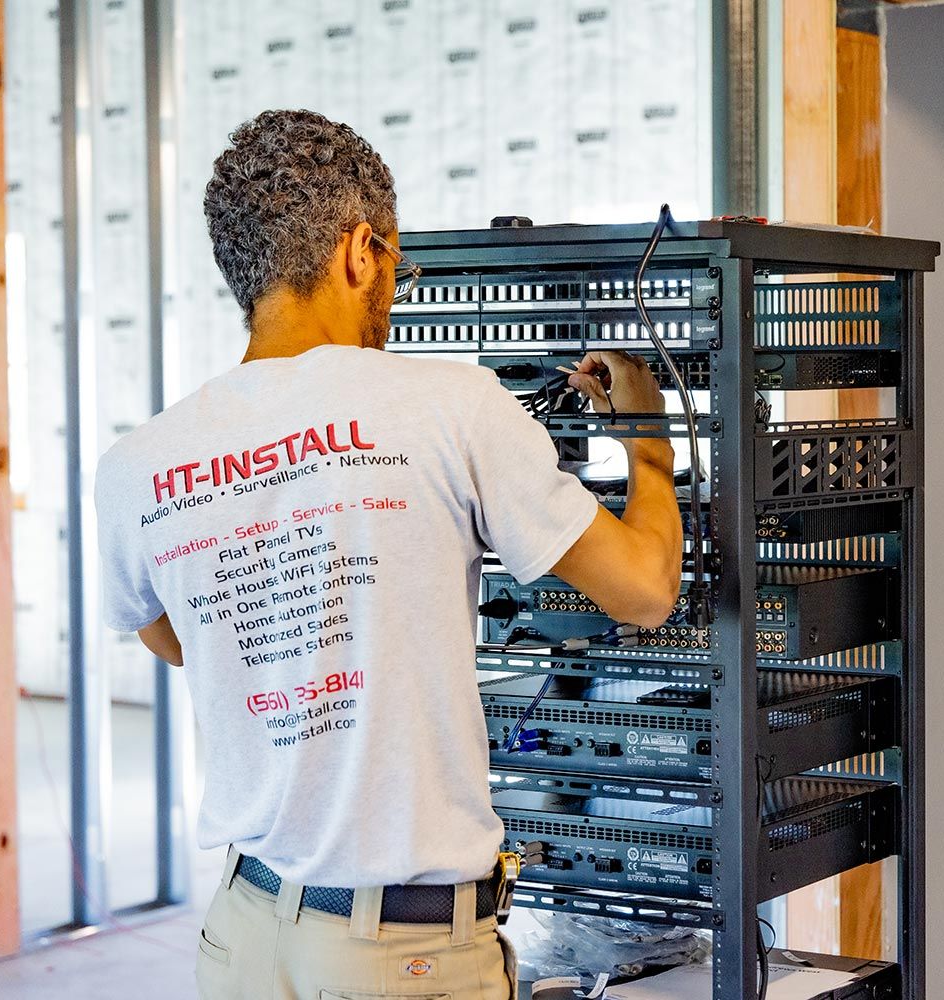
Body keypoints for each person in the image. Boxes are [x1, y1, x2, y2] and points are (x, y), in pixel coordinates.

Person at [94, 109, 683, 1000]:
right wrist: (649, 442)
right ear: (360, 249)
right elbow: (645, 589)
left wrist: (287, 610)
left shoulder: (138, 463)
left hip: (244, 939)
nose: (394, 291)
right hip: (398, 960)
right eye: (394, 266)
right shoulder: (451, 408)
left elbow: (175, 638)